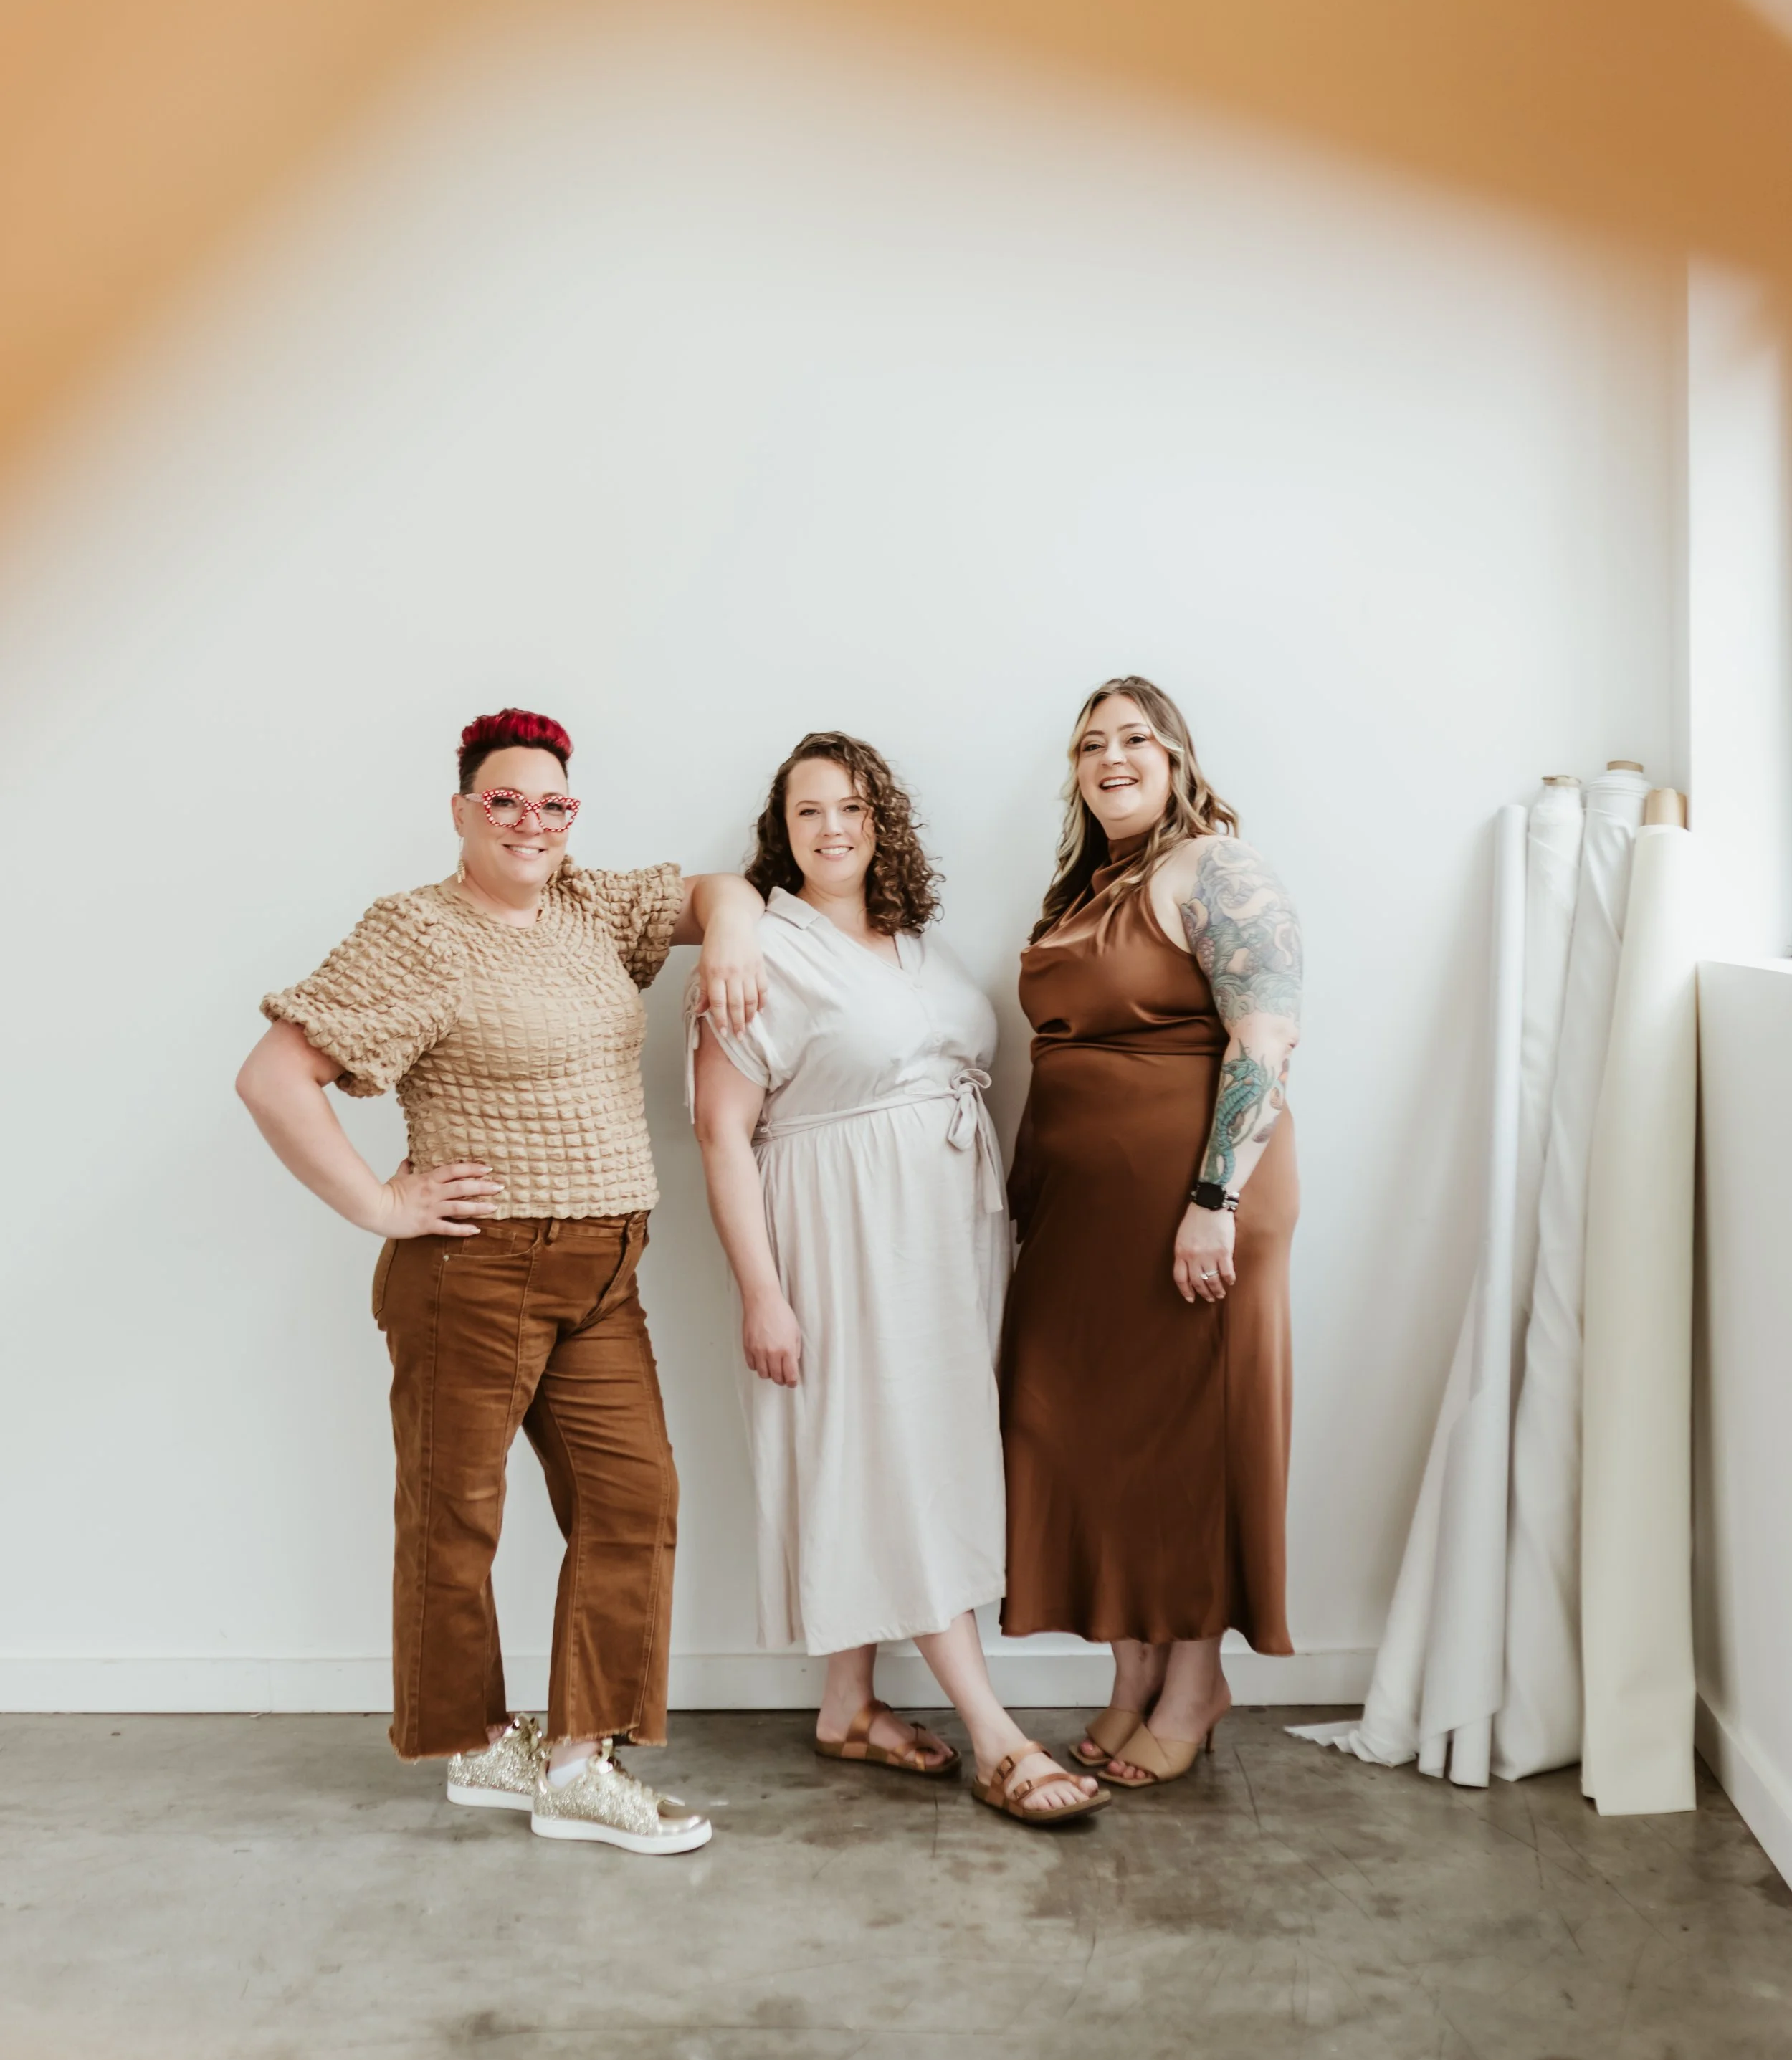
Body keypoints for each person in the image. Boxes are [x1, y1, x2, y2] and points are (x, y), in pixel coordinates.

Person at [236, 706, 766, 1855]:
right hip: (474, 1273)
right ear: (461, 811)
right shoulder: (416, 934)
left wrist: (729, 940)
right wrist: (382, 1206)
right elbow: (276, 1076)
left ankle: (580, 1759)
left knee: (637, 1502)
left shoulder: (590, 904)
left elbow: (725, 888)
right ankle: (474, 1743)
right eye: (505, 801)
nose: (532, 821)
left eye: (554, 803)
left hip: (605, 1267)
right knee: (456, 1518)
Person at [690, 731, 1105, 1826]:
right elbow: (722, 1134)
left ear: (883, 823)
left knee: (901, 1455)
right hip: (839, 1241)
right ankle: (997, 1734)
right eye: (810, 811)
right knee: (892, 1460)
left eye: (854, 808)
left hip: (940, 1246)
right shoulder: (762, 953)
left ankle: (847, 1706)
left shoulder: (914, 947)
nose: (833, 827)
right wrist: (762, 1292)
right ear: (782, 833)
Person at [999, 677, 1301, 1787]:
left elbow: (1265, 1040)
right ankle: (1131, 1676)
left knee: (1187, 1448)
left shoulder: (1215, 867)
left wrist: (1213, 1200)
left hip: (1198, 1207)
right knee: (1080, 1441)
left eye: (1134, 738)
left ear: (1176, 757)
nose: (1109, 757)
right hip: (1085, 1223)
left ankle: (1195, 1681)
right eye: (1089, 744)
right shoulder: (1089, 884)